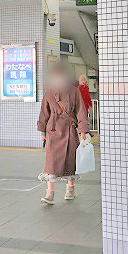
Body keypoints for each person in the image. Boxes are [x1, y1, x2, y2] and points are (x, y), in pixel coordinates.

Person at [38, 62, 90, 204]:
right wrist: (42, 131)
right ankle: (50, 194)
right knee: (51, 163)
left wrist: (83, 130)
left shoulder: (74, 92)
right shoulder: (49, 93)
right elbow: (44, 113)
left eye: (60, 74)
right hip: (53, 131)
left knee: (70, 160)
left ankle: (70, 189)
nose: (58, 77)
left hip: (70, 130)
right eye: (55, 75)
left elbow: (80, 111)